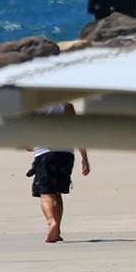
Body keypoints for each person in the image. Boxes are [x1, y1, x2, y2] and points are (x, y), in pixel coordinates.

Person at [27, 104, 90, 243]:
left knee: (46, 194)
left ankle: (51, 222)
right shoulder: (66, 106)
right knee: (57, 193)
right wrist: (84, 158)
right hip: (66, 155)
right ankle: (56, 232)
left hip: (45, 154)